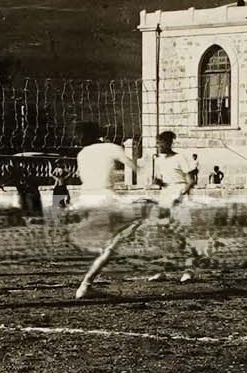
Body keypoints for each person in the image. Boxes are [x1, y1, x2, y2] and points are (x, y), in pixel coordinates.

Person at [73, 121, 142, 300]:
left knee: (114, 240)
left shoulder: (81, 153)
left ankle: (90, 275)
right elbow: (134, 167)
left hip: (85, 200)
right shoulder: (111, 147)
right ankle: (86, 285)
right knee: (120, 239)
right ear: (99, 134)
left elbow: (81, 176)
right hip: (105, 198)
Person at [147, 131, 197, 283]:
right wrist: (159, 182)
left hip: (179, 196)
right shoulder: (159, 160)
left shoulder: (180, 158)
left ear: (168, 143)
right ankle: (161, 270)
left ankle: (189, 270)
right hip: (165, 196)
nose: (158, 146)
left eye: (161, 143)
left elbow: (190, 181)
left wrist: (180, 196)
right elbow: (165, 180)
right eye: (157, 143)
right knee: (162, 234)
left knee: (182, 235)